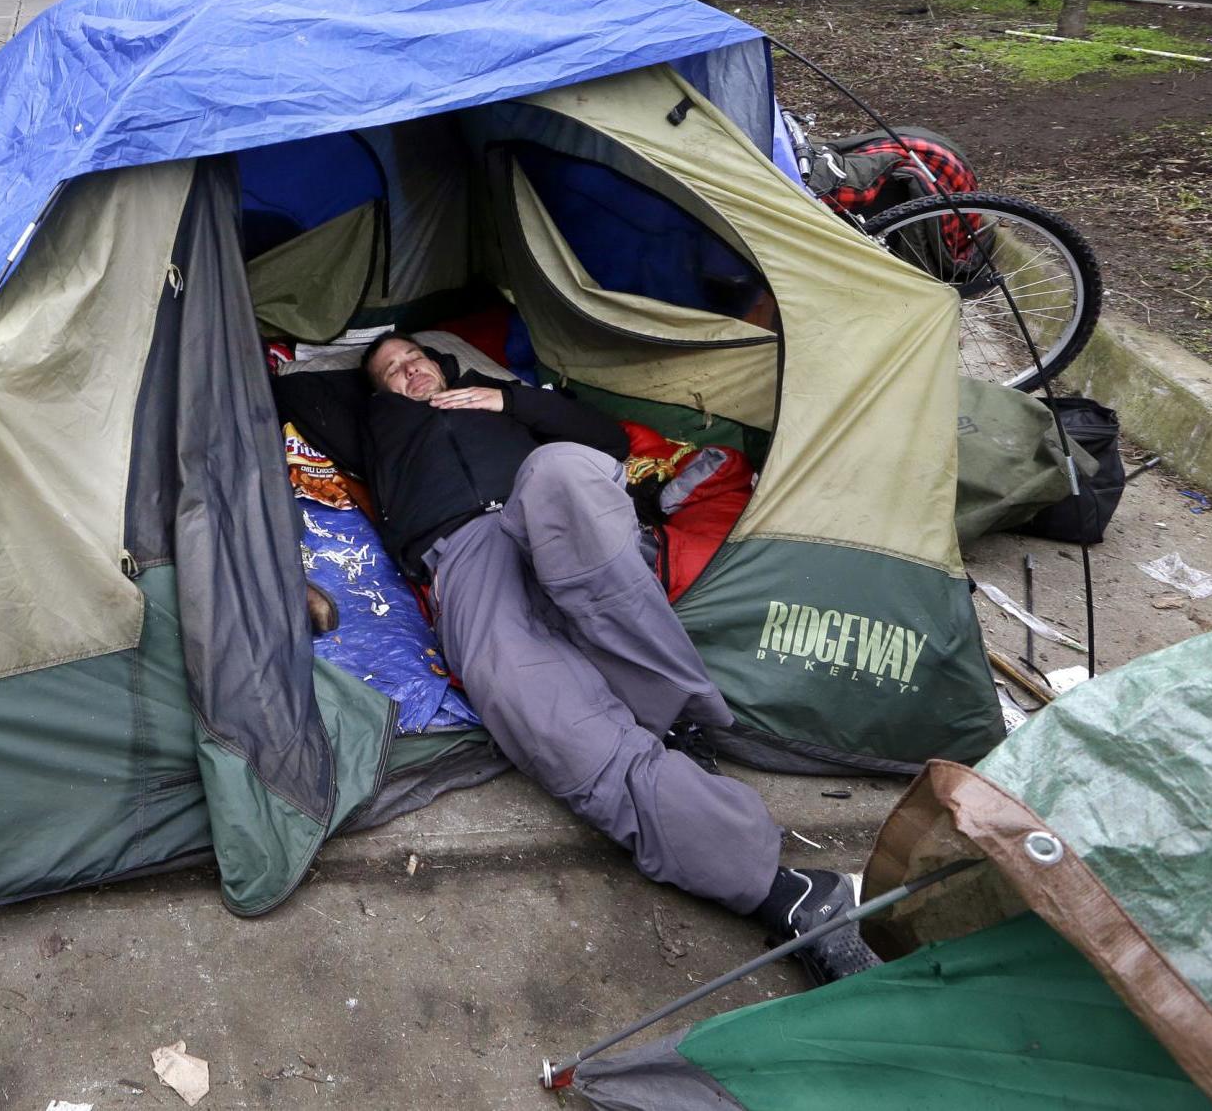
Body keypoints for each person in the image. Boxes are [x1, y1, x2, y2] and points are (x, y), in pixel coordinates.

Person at [358, 333, 878, 985]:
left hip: (550, 507)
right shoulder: (379, 426)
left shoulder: (505, 402)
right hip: (461, 553)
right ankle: (784, 890)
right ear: (377, 392)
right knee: (520, 695)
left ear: (439, 362)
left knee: (560, 475)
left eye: (413, 358)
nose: (407, 371)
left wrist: (509, 399)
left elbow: (603, 440)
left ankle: (673, 710)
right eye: (389, 372)